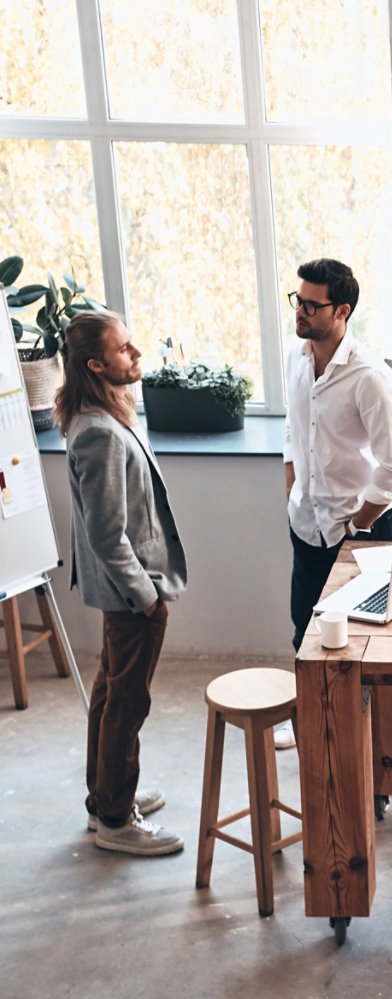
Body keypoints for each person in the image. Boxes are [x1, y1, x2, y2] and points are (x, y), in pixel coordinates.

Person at [56, 311, 187, 856]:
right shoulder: (99, 433)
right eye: (124, 349)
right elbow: (108, 534)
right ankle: (115, 818)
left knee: (111, 692)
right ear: (95, 364)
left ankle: (104, 799)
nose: (136, 355)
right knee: (127, 703)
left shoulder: (107, 413)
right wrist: (147, 597)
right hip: (133, 592)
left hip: (130, 590)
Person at [281, 258, 392, 746]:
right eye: (298, 299)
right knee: (305, 639)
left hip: (362, 533)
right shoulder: (295, 359)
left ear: (342, 311)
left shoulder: (369, 377)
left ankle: (371, 775)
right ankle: (317, 744)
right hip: (307, 527)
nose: (300, 311)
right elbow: (293, 433)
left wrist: (356, 526)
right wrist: (292, 489)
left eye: (312, 305)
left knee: (364, 657)